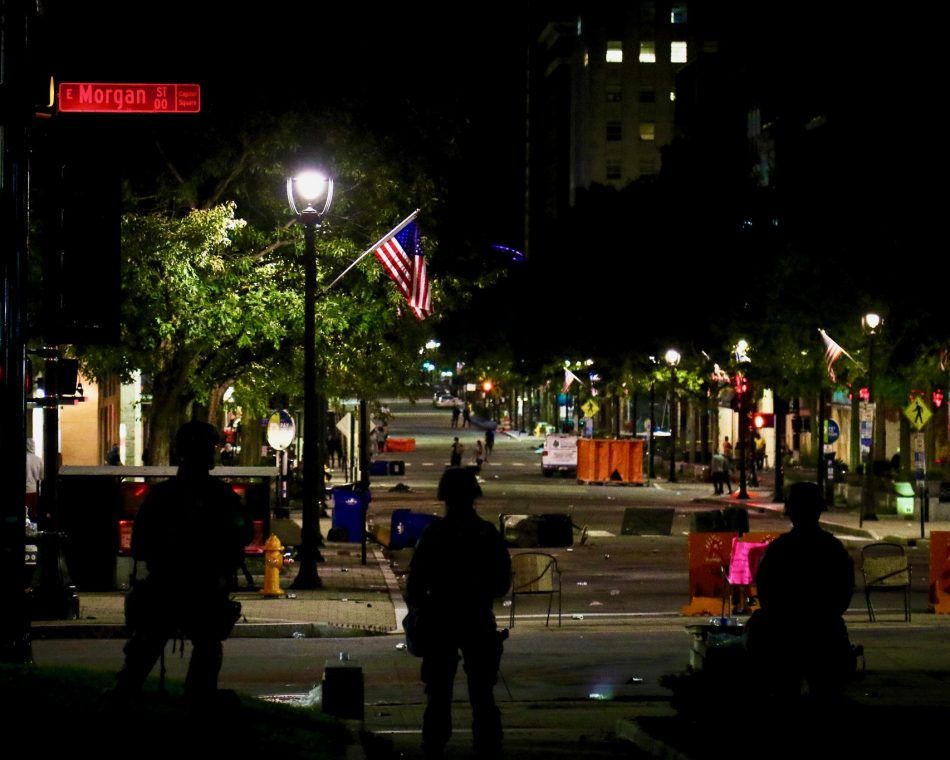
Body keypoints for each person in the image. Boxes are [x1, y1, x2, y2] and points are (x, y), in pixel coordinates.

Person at [114, 421, 254, 701]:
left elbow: (140, 544)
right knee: (207, 646)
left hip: (167, 585)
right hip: (204, 586)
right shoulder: (220, 496)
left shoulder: (163, 495)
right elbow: (245, 533)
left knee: (149, 643)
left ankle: (126, 696)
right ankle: (197, 699)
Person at [405, 467, 512, 758]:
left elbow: (415, 584)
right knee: (482, 693)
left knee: (438, 693)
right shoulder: (486, 534)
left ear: (445, 498)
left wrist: (420, 610)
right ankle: (487, 745)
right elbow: (502, 583)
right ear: (473, 497)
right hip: (476, 617)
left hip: (440, 619)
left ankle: (435, 744)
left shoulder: (435, 534)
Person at [745, 482, 856, 703]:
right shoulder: (832, 548)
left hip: (784, 633)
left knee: (782, 690)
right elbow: (844, 591)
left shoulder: (780, 549)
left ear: (792, 513)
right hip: (825, 631)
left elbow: (766, 590)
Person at [25, 438, 44, 522]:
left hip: (25, 490)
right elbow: (42, 477)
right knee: (33, 517)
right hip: (34, 491)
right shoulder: (39, 460)